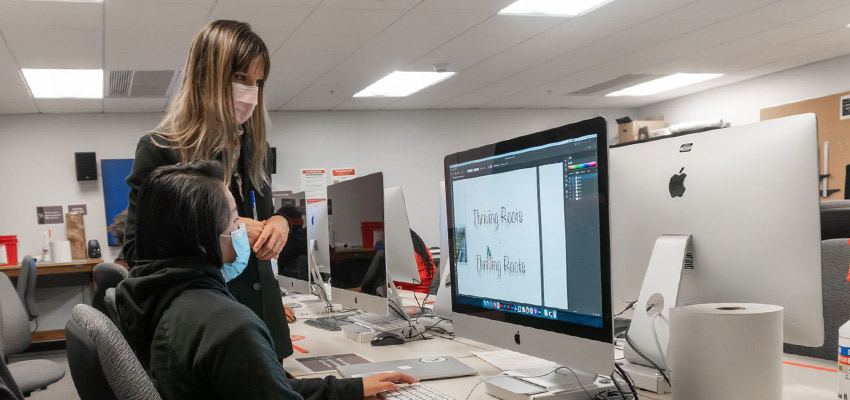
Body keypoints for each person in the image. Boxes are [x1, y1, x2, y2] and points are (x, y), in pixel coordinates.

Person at [116, 161, 417, 400]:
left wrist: (350, 389)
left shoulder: (169, 303)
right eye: (235, 221)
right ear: (203, 244)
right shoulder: (226, 325)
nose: (245, 230)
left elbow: (265, 389)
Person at [122, 20, 293, 359]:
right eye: (241, 78)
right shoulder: (161, 149)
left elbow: (263, 215)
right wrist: (228, 230)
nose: (251, 92)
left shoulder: (251, 147)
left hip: (263, 322)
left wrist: (279, 224)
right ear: (207, 77)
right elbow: (137, 252)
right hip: (209, 329)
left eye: (257, 82)